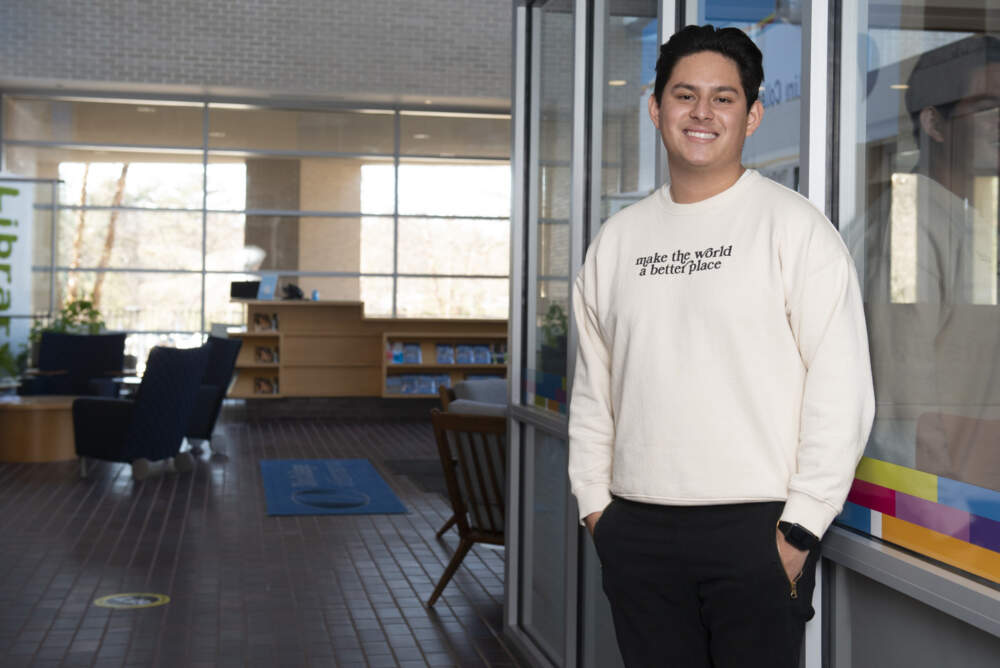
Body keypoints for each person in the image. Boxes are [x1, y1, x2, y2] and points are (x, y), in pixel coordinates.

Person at [567, 24, 875, 667]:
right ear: (656, 107)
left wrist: (799, 529)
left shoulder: (795, 229)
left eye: (724, 97)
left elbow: (841, 388)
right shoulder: (618, 241)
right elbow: (596, 390)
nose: (702, 113)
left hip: (759, 530)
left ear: (753, 114)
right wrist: (597, 510)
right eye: (684, 95)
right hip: (637, 528)